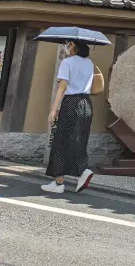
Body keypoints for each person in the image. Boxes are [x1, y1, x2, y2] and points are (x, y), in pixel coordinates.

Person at [42, 40, 95, 194]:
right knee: (79, 139)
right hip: (86, 103)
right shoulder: (89, 63)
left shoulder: (67, 62)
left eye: (68, 45)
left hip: (71, 102)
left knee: (61, 141)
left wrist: (53, 109)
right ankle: (81, 171)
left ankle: (60, 182)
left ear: (72, 45)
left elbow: (63, 87)